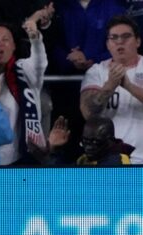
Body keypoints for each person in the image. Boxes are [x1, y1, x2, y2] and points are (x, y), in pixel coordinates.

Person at [80, 14, 143, 164]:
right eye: (113, 38)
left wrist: (128, 86)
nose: (119, 42)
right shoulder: (96, 71)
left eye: (126, 36)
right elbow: (87, 113)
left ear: (138, 41)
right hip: (106, 161)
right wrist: (110, 85)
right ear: (108, 44)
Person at [0, 18, 48, 165]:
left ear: (14, 46)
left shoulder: (25, 70)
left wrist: (35, 39)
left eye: (5, 39)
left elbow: (39, 62)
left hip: (21, 158)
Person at [45, 116, 133, 165]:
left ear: (110, 141)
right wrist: (54, 149)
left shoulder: (118, 161)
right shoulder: (84, 160)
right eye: (85, 142)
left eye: (95, 142)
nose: (88, 148)